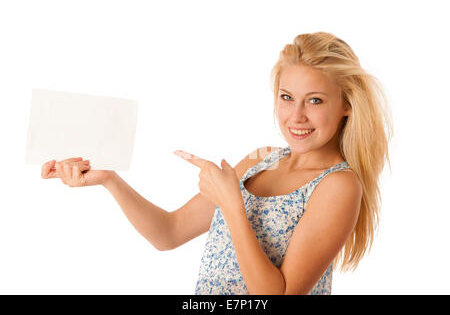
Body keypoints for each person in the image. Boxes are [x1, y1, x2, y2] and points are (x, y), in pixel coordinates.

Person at [41, 31, 393, 295]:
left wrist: (232, 205)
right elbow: (169, 233)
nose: (296, 116)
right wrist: (109, 180)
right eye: (287, 97)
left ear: (346, 104)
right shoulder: (260, 159)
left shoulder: (339, 185)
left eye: (314, 100)